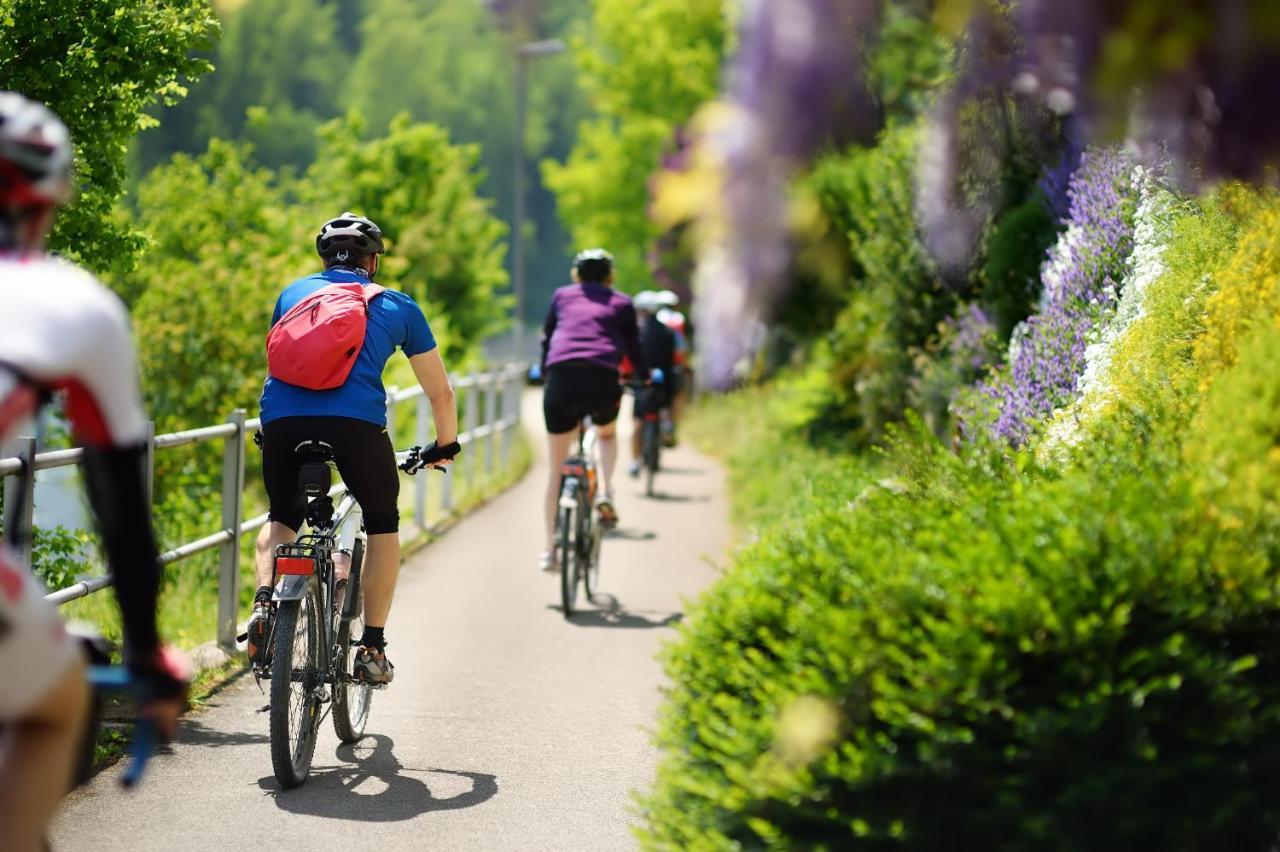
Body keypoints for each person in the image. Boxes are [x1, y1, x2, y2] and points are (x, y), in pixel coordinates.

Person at [0, 92, 187, 852]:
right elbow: (121, 508)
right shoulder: (71, 302)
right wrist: (148, 653)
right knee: (58, 706)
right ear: (48, 198)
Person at [249, 212, 459, 686]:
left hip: (283, 422)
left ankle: (264, 602)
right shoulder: (397, 305)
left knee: (280, 519)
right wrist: (445, 444)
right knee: (383, 521)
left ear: (324, 258)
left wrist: (274, 425)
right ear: (373, 261)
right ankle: (372, 648)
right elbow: (440, 393)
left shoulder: (293, 294)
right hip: (356, 427)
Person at [539, 249, 648, 571]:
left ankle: (550, 552)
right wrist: (645, 377)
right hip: (603, 378)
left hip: (561, 378)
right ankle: (605, 488)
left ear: (577, 275)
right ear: (610, 276)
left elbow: (548, 338)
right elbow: (633, 347)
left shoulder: (561, 296)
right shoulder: (622, 302)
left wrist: (544, 371)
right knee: (606, 433)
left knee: (556, 469)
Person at [628, 291, 677, 477]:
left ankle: (634, 461)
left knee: (637, 424)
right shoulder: (668, 332)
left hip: (641, 384)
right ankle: (667, 425)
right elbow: (672, 363)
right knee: (663, 409)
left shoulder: (636, 333)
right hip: (663, 386)